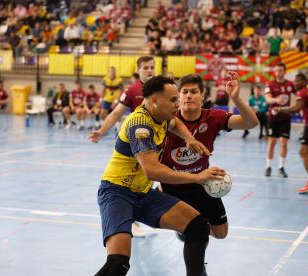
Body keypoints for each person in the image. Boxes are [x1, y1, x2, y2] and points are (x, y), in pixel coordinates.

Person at [94, 75, 226, 276]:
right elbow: (152, 170)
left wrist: (189, 138)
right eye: (173, 99)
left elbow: (175, 124)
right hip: (117, 193)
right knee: (118, 263)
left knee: (198, 226)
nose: (178, 103)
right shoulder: (139, 126)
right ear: (154, 100)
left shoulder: (162, 117)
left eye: (177, 98)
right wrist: (198, 177)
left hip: (143, 193)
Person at [158, 72, 258, 275]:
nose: (188, 96)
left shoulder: (214, 117)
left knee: (221, 233)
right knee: (199, 230)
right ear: (178, 96)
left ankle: (186, 231)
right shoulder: (167, 118)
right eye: (184, 92)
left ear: (203, 95)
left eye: (194, 92)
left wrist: (236, 98)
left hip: (201, 185)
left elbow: (251, 123)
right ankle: (196, 260)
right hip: (172, 187)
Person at [88, 56, 155, 238]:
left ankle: (150, 214)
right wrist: (101, 131)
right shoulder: (132, 91)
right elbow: (116, 112)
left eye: (152, 67)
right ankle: (133, 222)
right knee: (135, 181)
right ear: (138, 70)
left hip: (158, 141)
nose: (150, 70)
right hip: (138, 143)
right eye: (146, 67)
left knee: (151, 179)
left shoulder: (161, 87)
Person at [264, 63, 296, 177]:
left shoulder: (290, 84)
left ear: (285, 72)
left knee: (283, 143)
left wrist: (298, 107)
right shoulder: (270, 84)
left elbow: (299, 95)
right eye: (276, 70)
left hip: (285, 117)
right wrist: (277, 99)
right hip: (273, 117)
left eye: (280, 70)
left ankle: (281, 167)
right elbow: (268, 99)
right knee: (271, 143)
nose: (278, 72)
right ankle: (268, 167)